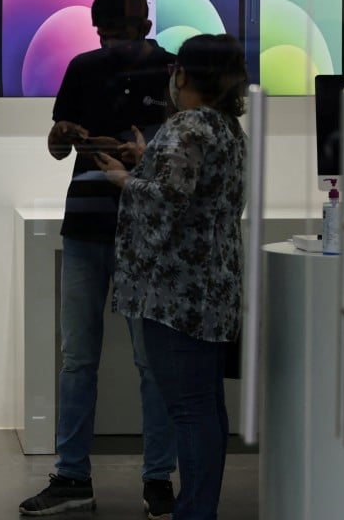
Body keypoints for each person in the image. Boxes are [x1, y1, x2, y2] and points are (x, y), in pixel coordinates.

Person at [19, 0, 178, 518]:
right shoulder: (85, 69)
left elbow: (181, 150)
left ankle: (149, 478)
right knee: (85, 359)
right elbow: (59, 144)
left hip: (142, 227)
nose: (115, 41)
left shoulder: (173, 73)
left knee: (131, 360)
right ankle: (82, 477)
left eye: (120, 31)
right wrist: (64, 132)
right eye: (111, 32)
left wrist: (137, 153)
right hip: (95, 225)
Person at [95, 33, 248, 520]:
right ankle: (200, 506)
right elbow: (194, 191)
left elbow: (166, 204)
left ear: (181, 74)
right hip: (215, 290)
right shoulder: (225, 128)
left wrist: (127, 181)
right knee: (207, 408)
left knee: (189, 410)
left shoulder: (186, 127)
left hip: (174, 296)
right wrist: (149, 162)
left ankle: (195, 512)